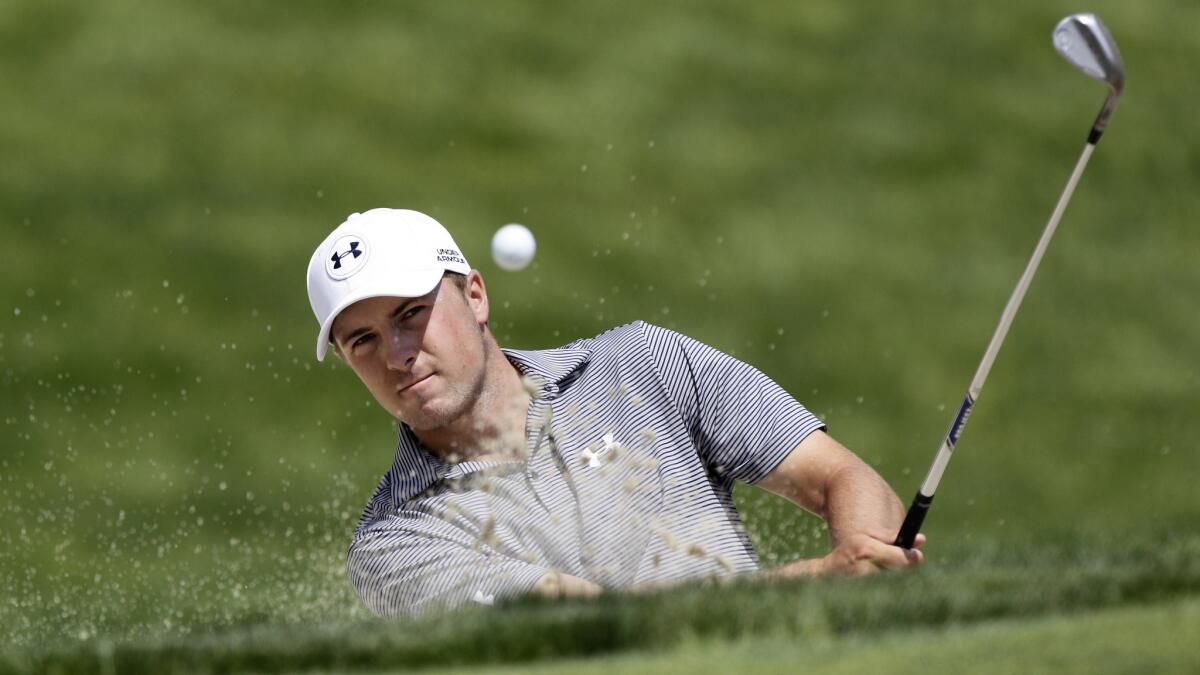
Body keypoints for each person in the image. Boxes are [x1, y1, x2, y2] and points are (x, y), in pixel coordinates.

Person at [306, 208, 924, 617]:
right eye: (362, 341)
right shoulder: (394, 546)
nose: (398, 354)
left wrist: (865, 568)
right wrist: (818, 582)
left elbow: (842, 478)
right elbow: (608, 626)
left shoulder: (639, 363)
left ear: (474, 294)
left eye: (410, 313)